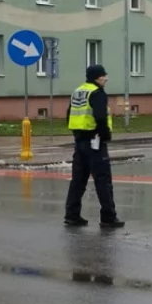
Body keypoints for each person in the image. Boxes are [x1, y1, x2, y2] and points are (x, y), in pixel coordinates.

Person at [64, 65, 124, 228]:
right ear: (97, 78)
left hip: (80, 141)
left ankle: (72, 214)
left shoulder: (78, 91)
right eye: (104, 76)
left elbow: (69, 115)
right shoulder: (97, 93)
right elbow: (100, 117)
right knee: (103, 180)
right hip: (95, 141)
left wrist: (77, 133)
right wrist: (105, 136)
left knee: (78, 180)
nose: (106, 78)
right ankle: (108, 217)